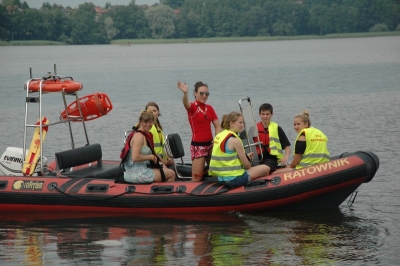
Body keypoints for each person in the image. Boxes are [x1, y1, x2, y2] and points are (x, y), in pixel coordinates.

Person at [209, 111, 270, 188]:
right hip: (234, 179)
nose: (242, 125)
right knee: (266, 168)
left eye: (243, 123)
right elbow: (247, 165)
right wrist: (247, 160)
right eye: (240, 123)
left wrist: (246, 156)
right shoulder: (235, 140)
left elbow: (226, 157)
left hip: (221, 178)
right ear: (232, 123)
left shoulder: (219, 136)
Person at [177, 81, 221, 181]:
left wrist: (217, 138)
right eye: (201, 93)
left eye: (206, 94)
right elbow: (185, 103)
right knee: (197, 178)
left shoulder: (209, 108)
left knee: (218, 173)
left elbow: (217, 126)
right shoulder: (192, 107)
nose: (204, 96)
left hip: (211, 145)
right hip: (198, 146)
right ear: (195, 93)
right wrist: (185, 93)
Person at [124, 110, 175, 183]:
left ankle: (159, 189)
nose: (148, 124)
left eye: (150, 122)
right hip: (137, 172)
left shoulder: (145, 135)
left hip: (143, 167)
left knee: (163, 166)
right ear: (141, 122)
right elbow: (135, 157)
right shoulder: (139, 137)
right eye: (145, 122)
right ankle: (165, 193)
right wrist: (151, 157)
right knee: (171, 174)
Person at [254, 103, 291, 174]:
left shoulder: (277, 128)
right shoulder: (254, 128)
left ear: (272, 114)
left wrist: (285, 157)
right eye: (263, 114)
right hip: (257, 158)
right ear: (259, 114)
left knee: (265, 168)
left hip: (271, 158)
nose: (265, 116)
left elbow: (287, 147)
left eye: (267, 114)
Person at [145, 102, 173, 167]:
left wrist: (168, 158)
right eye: (149, 111)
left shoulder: (158, 128)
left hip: (159, 158)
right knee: (172, 173)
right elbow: (150, 150)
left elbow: (160, 148)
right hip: (152, 160)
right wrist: (163, 161)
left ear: (158, 112)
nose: (152, 113)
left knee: (174, 164)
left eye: (154, 111)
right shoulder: (147, 128)